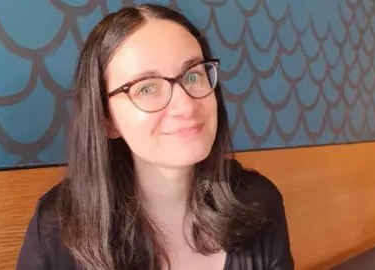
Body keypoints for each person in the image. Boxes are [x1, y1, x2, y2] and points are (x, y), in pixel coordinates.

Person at [16, 3, 294, 270]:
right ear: (106, 120)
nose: (185, 105)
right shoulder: (58, 229)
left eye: (193, 76)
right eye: (146, 89)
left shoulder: (258, 204)